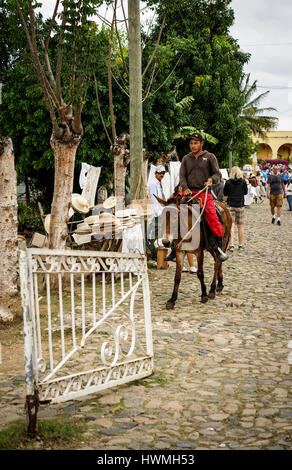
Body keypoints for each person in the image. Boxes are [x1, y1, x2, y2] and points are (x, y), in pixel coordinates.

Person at [166, 132, 228, 262]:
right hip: (188, 194)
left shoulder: (210, 157)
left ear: (201, 144)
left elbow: (217, 175)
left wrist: (211, 180)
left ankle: (217, 248)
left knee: (212, 216)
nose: (193, 146)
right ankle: (173, 247)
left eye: (195, 143)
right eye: (191, 143)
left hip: (204, 193)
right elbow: (182, 176)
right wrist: (185, 188)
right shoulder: (186, 158)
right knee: (175, 214)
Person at [223, 166, 248, 251]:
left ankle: (231, 244)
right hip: (240, 205)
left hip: (230, 205)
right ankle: (240, 245)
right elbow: (245, 192)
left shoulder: (228, 182)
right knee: (240, 226)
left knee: (231, 226)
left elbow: (225, 193)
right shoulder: (243, 182)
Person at [147, 165, 167, 260]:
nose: (162, 175)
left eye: (163, 173)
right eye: (160, 173)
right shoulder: (153, 184)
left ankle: (157, 254)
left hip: (160, 212)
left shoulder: (159, 184)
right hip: (156, 213)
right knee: (156, 235)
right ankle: (155, 255)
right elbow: (154, 200)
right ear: (155, 174)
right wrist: (157, 213)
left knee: (158, 234)